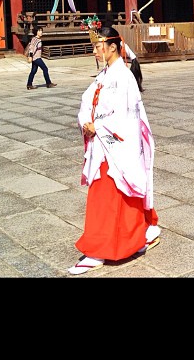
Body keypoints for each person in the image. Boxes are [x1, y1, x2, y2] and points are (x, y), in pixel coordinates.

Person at [68, 25, 159, 275]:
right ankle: (133, 237)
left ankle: (100, 248)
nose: (95, 51)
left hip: (115, 145)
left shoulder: (124, 77)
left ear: (112, 47)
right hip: (104, 144)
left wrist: (98, 126)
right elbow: (87, 100)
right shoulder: (105, 74)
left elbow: (126, 116)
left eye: (98, 47)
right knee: (114, 197)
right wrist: (85, 119)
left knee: (109, 197)